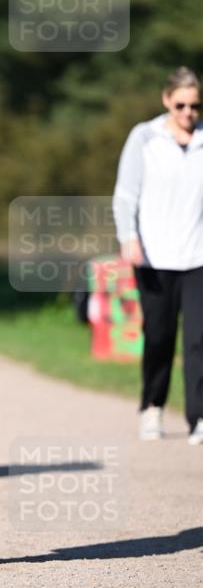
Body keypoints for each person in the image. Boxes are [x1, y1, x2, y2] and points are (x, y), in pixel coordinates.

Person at [112, 66, 203, 446]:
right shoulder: (144, 137)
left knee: (199, 339)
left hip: (197, 255)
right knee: (160, 336)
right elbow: (126, 194)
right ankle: (152, 405)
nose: (188, 113)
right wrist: (129, 238)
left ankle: (198, 417)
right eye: (181, 104)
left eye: (195, 106)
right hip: (154, 255)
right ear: (167, 100)